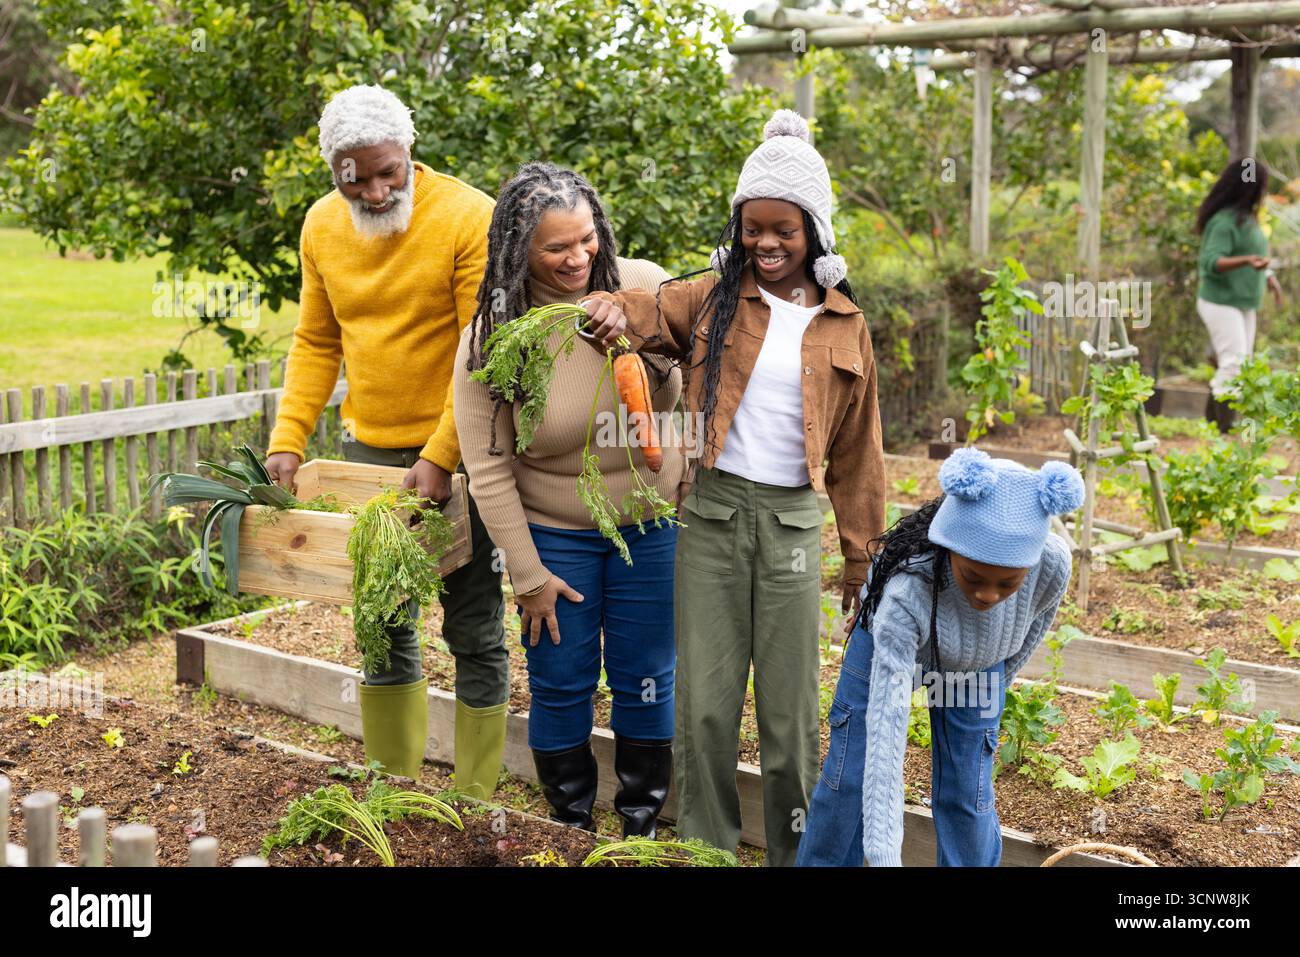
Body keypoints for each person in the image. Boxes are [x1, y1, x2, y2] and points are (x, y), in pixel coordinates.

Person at [582, 110, 886, 865]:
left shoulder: (847, 327)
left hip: (788, 524)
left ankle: (796, 854)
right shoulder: (714, 297)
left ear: (813, 228)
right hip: (712, 517)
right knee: (707, 711)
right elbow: (647, 314)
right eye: (752, 227)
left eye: (783, 228)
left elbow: (859, 454)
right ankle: (707, 852)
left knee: (790, 720)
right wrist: (614, 307)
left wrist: (861, 557)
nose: (767, 243)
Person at [264, 85, 508, 795]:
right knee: (382, 624)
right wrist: (288, 436)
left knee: (472, 623)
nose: (373, 189)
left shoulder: (468, 217)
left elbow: (481, 355)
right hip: (369, 454)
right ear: (332, 170)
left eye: (387, 172)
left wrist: (439, 457)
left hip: (465, 457)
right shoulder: (319, 228)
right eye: (354, 175)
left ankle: (476, 796)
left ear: (409, 153)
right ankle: (393, 787)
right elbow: (315, 338)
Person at [453, 162, 686, 836]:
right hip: (555, 531)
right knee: (560, 675)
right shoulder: (495, 336)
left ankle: (640, 823)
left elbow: (680, 395)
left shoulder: (641, 286)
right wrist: (527, 574)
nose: (578, 257)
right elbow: (490, 468)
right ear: (518, 248)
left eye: (585, 239)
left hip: (650, 522)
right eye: (557, 247)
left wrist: (642, 346)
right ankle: (570, 824)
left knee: (647, 673)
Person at [796, 447, 1081, 867]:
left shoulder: (1052, 565)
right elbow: (886, 741)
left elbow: (1025, 637)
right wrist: (885, 858)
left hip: (979, 665)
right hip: (889, 648)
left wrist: (990, 687)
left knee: (968, 791)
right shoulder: (908, 587)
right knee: (851, 776)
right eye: (974, 577)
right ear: (949, 550)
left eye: (1007, 583)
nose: (988, 595)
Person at [1195, 158, 1285, 431]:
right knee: (1233, 364)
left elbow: (1255, 255)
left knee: (1240, 364)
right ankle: (1218, 431)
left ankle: (1216, 429)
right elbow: (1211, 261)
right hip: (1220, 302)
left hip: (1243, 302)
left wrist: (1269, 277)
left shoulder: (1247, 220)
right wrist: (1246, 261)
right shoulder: (1224, 222)